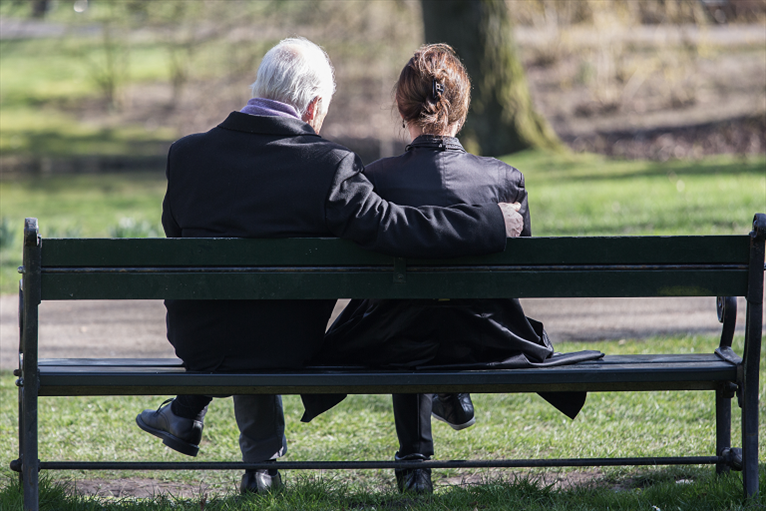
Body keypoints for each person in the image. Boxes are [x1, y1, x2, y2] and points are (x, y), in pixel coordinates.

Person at [134, 37, 524, 495]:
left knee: (239, 308)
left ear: (257, 87)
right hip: (287, 346)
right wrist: (489, 223)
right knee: (265, 320)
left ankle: (244, 455)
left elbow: (175, 235)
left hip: (197, 343)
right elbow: (396, 227)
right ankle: (252, 461)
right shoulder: (329, 166)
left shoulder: (186, 155)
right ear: (314, 105)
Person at [304, 44, 602, 494]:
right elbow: (517, 276)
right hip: (486, 339)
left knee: (408, 316)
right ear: (461, 111)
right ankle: (450, 396)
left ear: (401, 110)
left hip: (391, 341)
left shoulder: (376, 180)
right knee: (436, 312)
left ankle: (414, 461)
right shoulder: (505, 180)